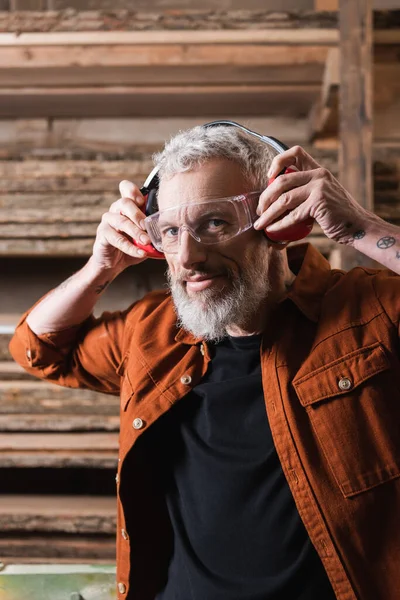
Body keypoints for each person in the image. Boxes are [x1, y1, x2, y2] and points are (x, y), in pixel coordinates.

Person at [9, 124, 400, 600]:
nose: (188, 257)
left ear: (282, 224)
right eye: (170, 232)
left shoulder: (370, 312)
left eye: (215, 223)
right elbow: (41, 348)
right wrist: (101, 266)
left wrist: (362, 227)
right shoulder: (152, 333)